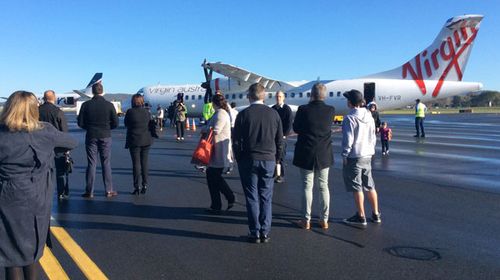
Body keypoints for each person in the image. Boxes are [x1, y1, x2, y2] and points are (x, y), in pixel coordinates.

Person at [0, 91, 77, 280]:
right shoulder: (44, 131)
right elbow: (71, 142)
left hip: (7, 197)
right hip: (37, 197)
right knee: (32, 249)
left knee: (10, 253)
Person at [233, 83, 283, 243]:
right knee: (266, 196)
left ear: (249, 96)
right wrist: (278, 160)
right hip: (268, 159)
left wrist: (239, 157)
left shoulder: (243, 115)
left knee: (251, 197)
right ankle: (265, 231)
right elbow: (280, 140)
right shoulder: (274, 114)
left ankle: (255, 231)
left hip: (248, 159)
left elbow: (236, 140)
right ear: (264, 96)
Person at [293, 83, 335, 230]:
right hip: (324, 153)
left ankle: (306, 219)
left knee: (307, 186)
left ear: (311, 94)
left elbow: (296, 128)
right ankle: (324, 219)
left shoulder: (303, 109)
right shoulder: (330, 110)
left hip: (306, 152)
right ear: (324, 95)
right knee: (324, 186)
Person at [341, 89, 381, 227]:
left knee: (357, 187)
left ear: (351, 103)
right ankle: (376, 214)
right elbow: (373, 135)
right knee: (370, 185)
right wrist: (372, 150)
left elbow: (348, 139)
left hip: (355, 155)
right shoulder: (369, 115)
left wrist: (345, 154)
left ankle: (361, 215)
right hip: (367, 154)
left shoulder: (350, 118)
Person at [77, 82, 119, 198]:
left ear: (92, 92)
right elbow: (116, 123)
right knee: (106, 163)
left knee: (91, 163)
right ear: (102, 91)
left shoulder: (86, 105)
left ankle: (89, 191)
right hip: (105, 135)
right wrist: (106, 128)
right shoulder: (109, 105)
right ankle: (109, 190)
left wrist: (89, 128)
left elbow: (80, 123)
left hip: (91, 135)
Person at [204, 94, 235, 212]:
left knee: (214, 176)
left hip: (219, 150)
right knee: (212, 176)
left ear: (214, 103)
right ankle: (216, 204)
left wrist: (204, 129)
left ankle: (229, 197)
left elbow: (216, 130)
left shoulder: (221, 114)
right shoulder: (220, 113)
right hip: (216, 149)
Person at [38, 90, 70, 200]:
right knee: (60, 170)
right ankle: (62, 192)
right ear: (54, 98)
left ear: (43, 98)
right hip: (57, 145)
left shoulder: (37, 111)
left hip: (41, 145)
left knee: (42, 170)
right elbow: (64, 131)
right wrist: (67, 148)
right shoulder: (58, 111)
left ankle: (43, 192)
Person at [125, 94, 153, 195]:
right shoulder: (147, 112)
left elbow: (126, 124)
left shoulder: (130, 112)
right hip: (146, 140)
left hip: (134, 140)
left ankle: (136, 186)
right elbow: (150, 124)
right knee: (144, 163)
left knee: (136, 164)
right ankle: (145, 185)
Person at [272, 90, 293, 183]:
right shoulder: (273, 109)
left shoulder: (287, 109)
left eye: (280, 96)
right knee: (273, 156)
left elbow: (289, 124)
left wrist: (284, 135)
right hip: (273, 137)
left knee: (281, 156)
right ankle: (273, 174)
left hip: (282, 137)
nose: (278, 98)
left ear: (283, 98)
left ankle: (281, 175)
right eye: (277, 96)